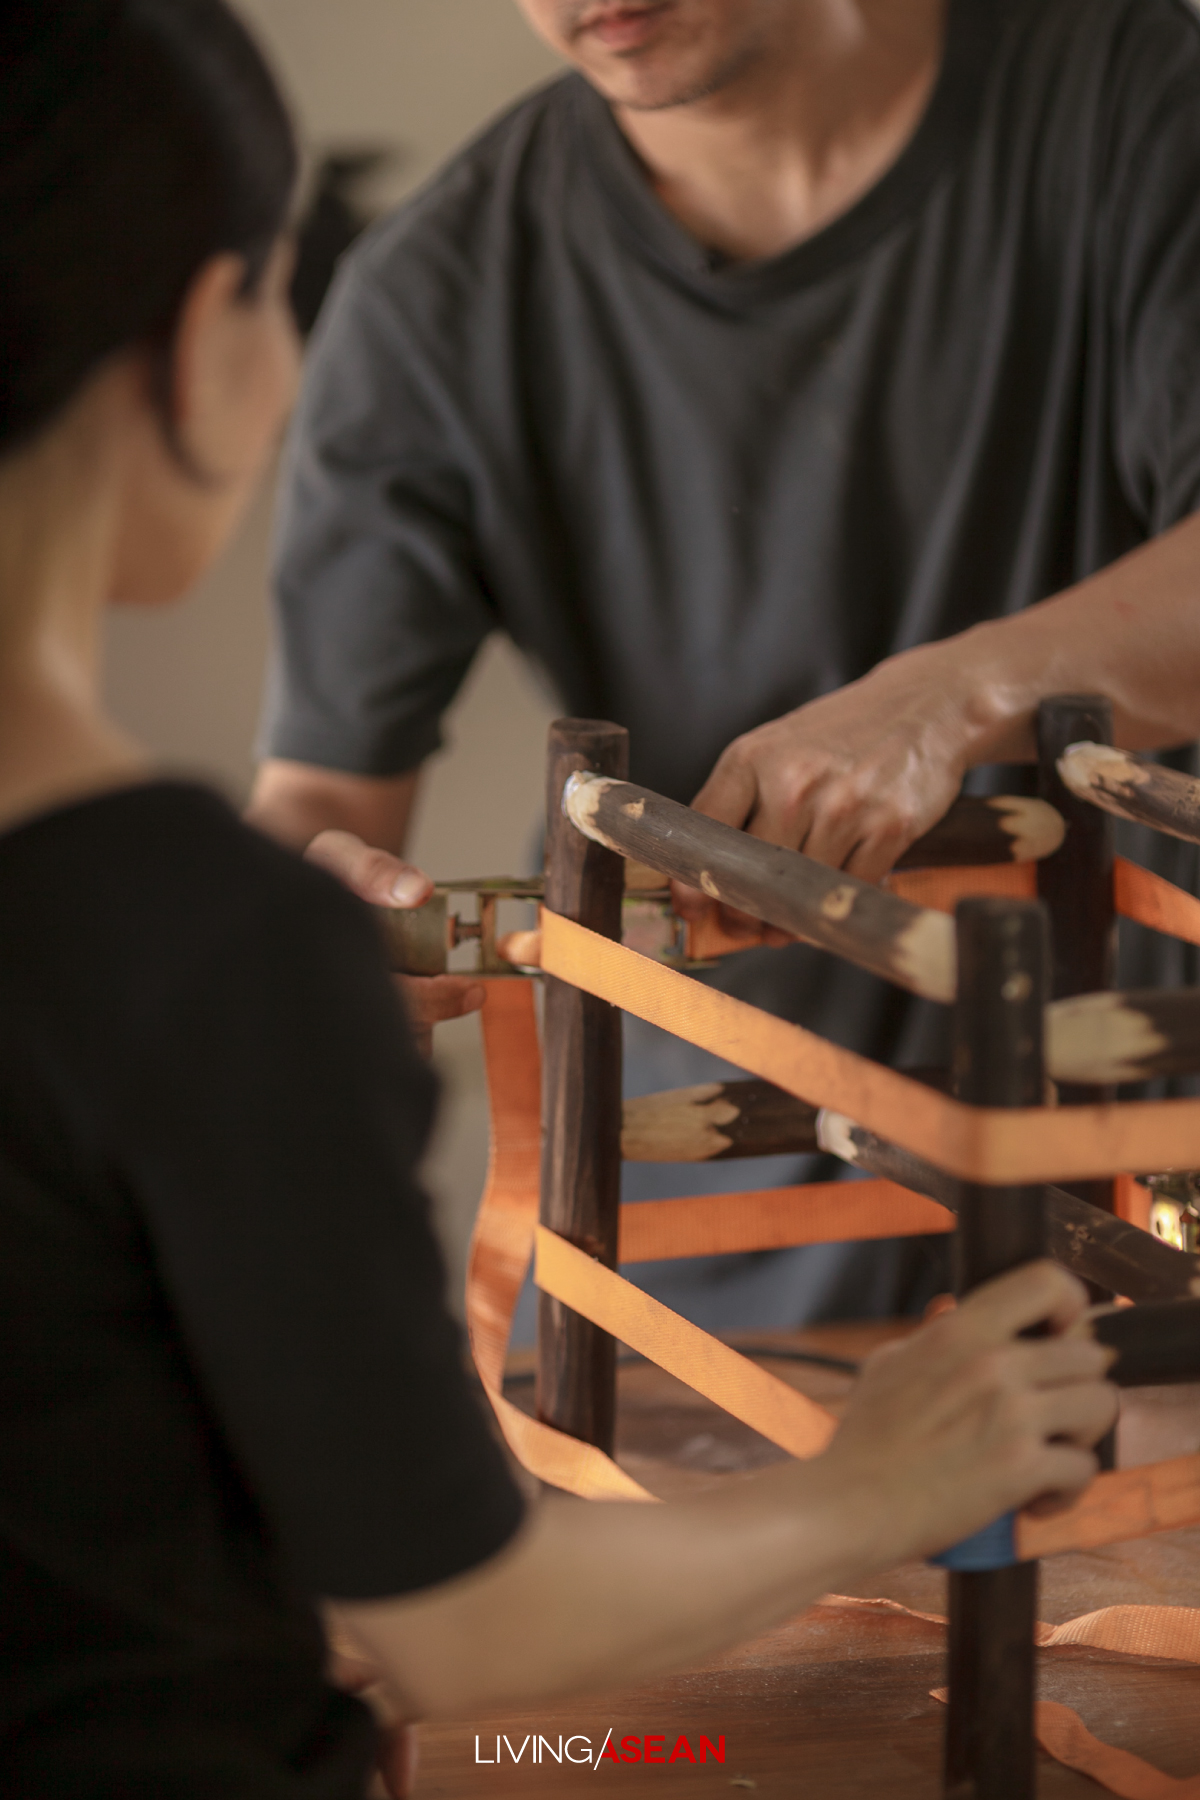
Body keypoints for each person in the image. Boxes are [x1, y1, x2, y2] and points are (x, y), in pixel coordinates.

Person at [0, 4, 1118, 1795]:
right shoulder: (202, 947)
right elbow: (477, 1638)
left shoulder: (1130, 105)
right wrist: (883, 1483)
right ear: (215, 342)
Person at [247, 0, 1200, 1332]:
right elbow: (321, 816)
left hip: (1144, 1202)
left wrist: (959, 694)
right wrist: (309, 934)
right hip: (697, 1250)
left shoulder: (1145, 99)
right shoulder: (430, 297)